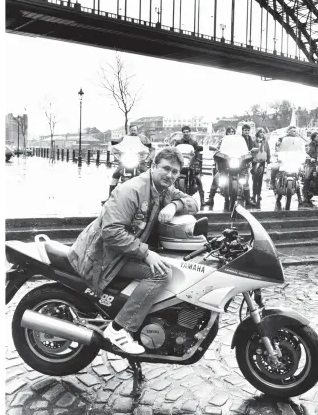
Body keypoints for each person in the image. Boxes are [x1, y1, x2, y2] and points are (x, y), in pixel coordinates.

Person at [69, 147, 198, 356]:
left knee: (167, 263)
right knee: (161, 272)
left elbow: (194, 202)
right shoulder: (132, 190)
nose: (170, 175)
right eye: (166, 168)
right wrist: (146, 253)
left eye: (175, 172)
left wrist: (174, 205)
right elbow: (111, 232)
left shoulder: (162, 189)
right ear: (153, 166)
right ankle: (119, 329)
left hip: (121, 252)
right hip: (102, 256)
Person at [206, 127, 254, 209]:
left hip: (237, 165)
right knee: (216, 178)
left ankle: (248, 199)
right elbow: (217, 150)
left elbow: (244, 150)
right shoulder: (223, 141)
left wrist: (248, 154)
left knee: (244, 179)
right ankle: (210, 198)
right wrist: (216, 151)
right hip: (225, 166)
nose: (231, 133)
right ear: (227, 132)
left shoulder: (239, 142)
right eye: (229, 131)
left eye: (232, 131)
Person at [173, 125, 205, 206]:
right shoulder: (178, 142)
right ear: (182, 133)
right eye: (184, 132)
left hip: (190, 163)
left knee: (198, 178)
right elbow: (175, 152)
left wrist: (196, 160)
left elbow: (197, 153)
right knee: (172, 177)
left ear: (189, 133)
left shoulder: (194, 143)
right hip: (181, 163)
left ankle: (202, 199)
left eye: (187, 132)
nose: (185, 133)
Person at [250, 130, 271, 208]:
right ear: (258, 133)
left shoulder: (265, 142)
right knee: (254, 179)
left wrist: (268, 160)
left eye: (263, 132)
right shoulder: (253, 141)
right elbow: (251, 151)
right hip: (255, 161)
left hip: (262, 161)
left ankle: (259, 194)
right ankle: (254, 194)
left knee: (260, 179)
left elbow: (268, 151)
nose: (262, 133)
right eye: (260, 132)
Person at [301, 131, 318, 205]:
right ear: (313, 137)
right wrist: (310, 158)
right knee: (307, 178)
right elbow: (305, 153)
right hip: (310, 164)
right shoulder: (308, 145)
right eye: (317, 136)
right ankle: (305, 195)